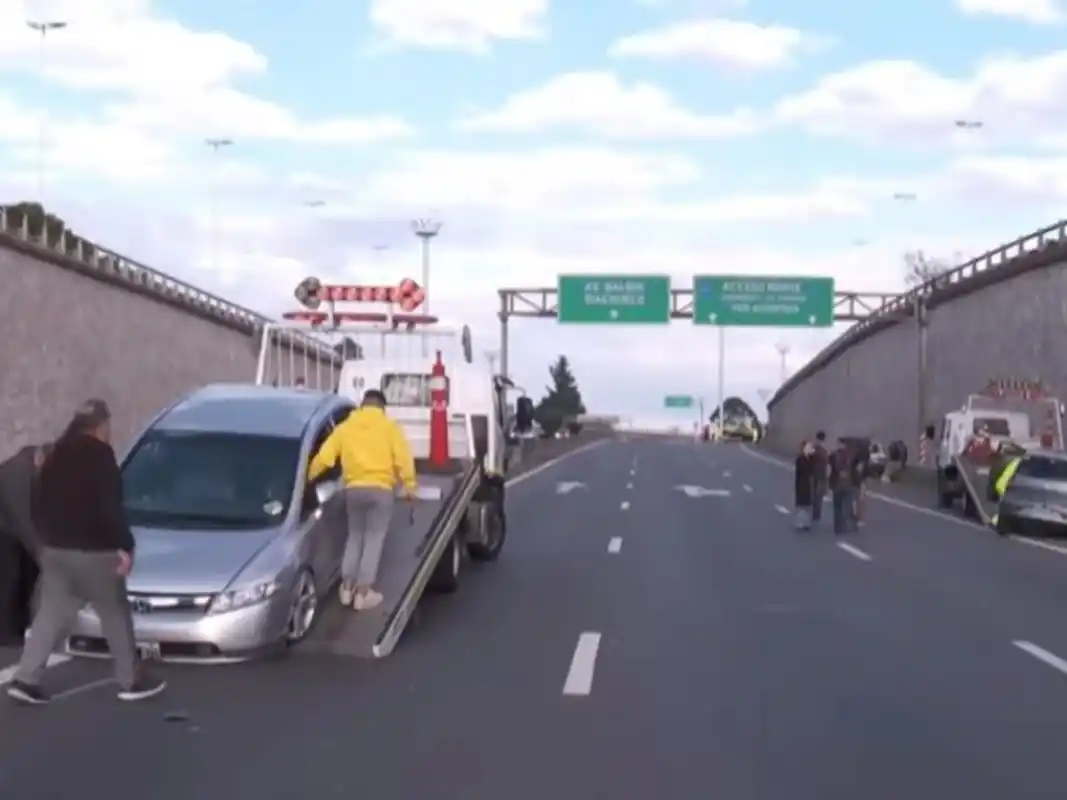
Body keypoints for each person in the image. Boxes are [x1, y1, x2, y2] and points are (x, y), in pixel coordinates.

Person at [6, 400, 166, 706]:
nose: (110, 432)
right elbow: (110, 509)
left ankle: (26, 679)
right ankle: (130, 680)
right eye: (107, 425)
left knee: (49, 616)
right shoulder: (101, 457)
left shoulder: (54, 455)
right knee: (115, 614)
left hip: (55, 551)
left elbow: (37, 502)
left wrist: (45, 542)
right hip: (95, 553)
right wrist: (126, 545)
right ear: (98, 427)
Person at [307, 389, 416, 611]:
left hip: (353, 489)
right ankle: (363, 593)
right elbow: (403, 459)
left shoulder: (345, 428)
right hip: (381, 490)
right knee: (373, 540)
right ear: (382, 407)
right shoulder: (389, 428)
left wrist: (307, 476)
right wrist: (410, 485)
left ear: (362, 405)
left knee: (355, 537)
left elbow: (325, 458)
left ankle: (347, 589)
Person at [0, 443, 51, 645]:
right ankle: (6, 637)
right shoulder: (16, 475)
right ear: (40, 461)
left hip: (21, 531)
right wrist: (45, 557)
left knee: (31, 578)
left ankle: (22, 628)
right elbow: (24, 522)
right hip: (4, 529)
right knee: (10, 580)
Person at [828, 437, 859, 535]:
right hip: (847, 484)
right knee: (847, 506)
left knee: (837, 506)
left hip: (836, 484)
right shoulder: (851, 456)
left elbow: (829, 468)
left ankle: (838, 527)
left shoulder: (833, 455)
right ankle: (847, 526)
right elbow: (855, 470)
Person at [793, 440, 816, 530]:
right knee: (800, 504)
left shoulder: (810, 459)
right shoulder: (800, 459)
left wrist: (812, 457)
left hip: (808, 483)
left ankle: (806, 523)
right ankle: (799, 522)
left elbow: (813, 469)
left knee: (808, 505)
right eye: (809, 447)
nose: (811, 449)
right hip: (801, 483)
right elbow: (803, 470)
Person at [810, 431, 829, 524]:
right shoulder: (824, 451)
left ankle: (814, 514)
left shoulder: (814, 450)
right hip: (820, 476)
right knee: (818, 497)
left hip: (814, 476)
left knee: (814, 496)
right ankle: (816, 515)